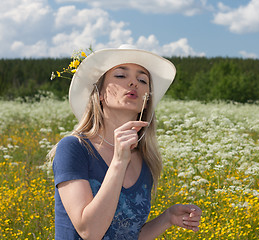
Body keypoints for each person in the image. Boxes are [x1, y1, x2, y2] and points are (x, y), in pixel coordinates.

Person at [50, 45, 202, 239]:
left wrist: (167, 218)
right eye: (121, 76)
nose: (134, 83)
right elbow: (90, 231)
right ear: (100, 93)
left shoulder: (146, 158)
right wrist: (119, 162)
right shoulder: (74, 148)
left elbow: (128, 235)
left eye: (142, 80)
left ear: (146, 101)